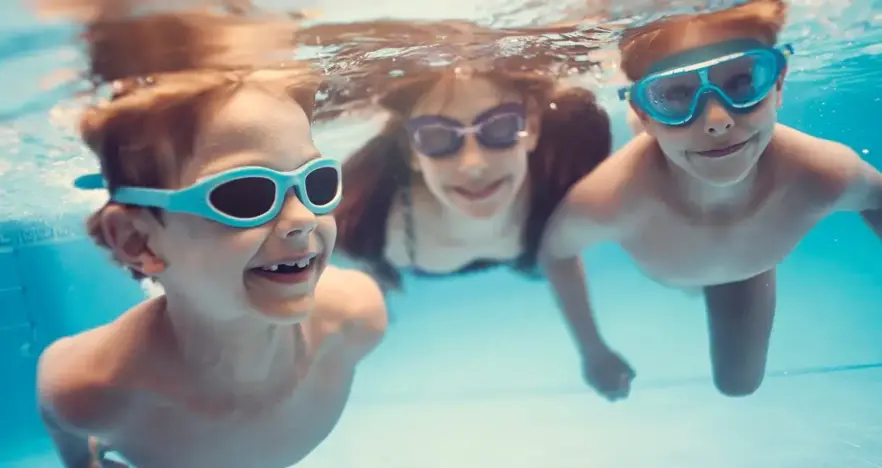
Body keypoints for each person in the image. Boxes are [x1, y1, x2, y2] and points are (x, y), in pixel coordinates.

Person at [35, 24, 387, 468]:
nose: (302, 219)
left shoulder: (356, 318)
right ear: (136, 239)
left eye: (316, 183)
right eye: (245, 195)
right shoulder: (94, 389)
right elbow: (58, 410)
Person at [540, 0, 882, 399]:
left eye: (740, 82)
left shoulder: (824, 174)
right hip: (678, 202)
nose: (717, 119)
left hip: (744, 264)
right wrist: (592, 351)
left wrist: (594, 352)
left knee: (738, 384)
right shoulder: (611, 198)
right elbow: (555, 253)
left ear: (778, 85)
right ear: (645, 113)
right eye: (676, 95)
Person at [332, 65, 620, 388]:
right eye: (437, 137)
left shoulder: (553, 189)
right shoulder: (373, 221)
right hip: (406, 256)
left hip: (521, 250)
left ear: (533, 128)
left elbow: (560, 259)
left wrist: (593, 351)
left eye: (499, 128)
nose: (474, 165)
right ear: (413, 151)